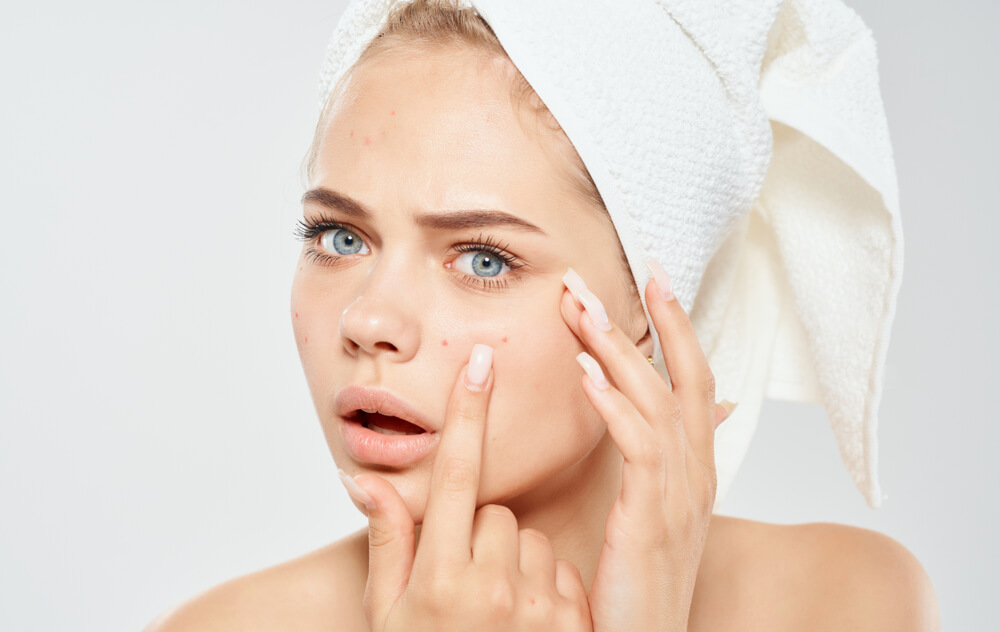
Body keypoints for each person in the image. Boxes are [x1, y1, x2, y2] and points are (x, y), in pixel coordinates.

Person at [145, 1, 939, 629]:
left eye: (483, 258)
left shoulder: (845, 605)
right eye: (340, 236)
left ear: (644, 312)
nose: (368, 319)